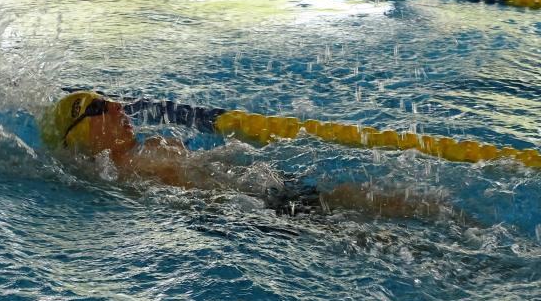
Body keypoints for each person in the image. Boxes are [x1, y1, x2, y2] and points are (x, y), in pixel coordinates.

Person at [39, 91, 446, 219]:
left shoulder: (155, 146)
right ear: (82, 136)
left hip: (265, 190)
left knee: (359, 197)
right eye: (99, 107)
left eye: (110, 100)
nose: (117, 107)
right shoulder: (116, 176)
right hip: (253, 212)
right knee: (358, 234)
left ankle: (449, 218)